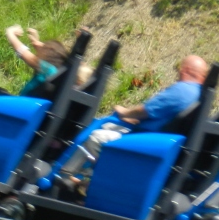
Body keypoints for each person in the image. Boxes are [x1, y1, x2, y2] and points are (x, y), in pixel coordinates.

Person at [64, 55, 209, 184]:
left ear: (186, 70)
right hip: (157, 138)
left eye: (180, 69)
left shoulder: (182, 90)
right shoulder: (200, 97)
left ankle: (65, 176)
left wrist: (125, 112)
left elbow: (144, 111)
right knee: (109, 127)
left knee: (96, 137)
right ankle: (85, 178)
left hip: (147, 140)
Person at [7, 25, 70, 96]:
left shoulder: (48, 71)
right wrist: (36, 42)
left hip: (19, 104)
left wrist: (10, 33)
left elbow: (22, 52)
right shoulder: (57, 74)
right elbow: (50, 55)